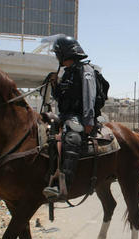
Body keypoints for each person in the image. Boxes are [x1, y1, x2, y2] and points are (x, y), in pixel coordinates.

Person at [42, 35, 97, 201]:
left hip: (78, 117)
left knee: (72, 137)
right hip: (65, 115)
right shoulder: (67, 73)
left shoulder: (85, 70)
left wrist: (88, 120)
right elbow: (61, 98)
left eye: (58, 53)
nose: (57, 57)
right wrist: (55, 84)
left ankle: (63, 187)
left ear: (66, 54)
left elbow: (89, 96)